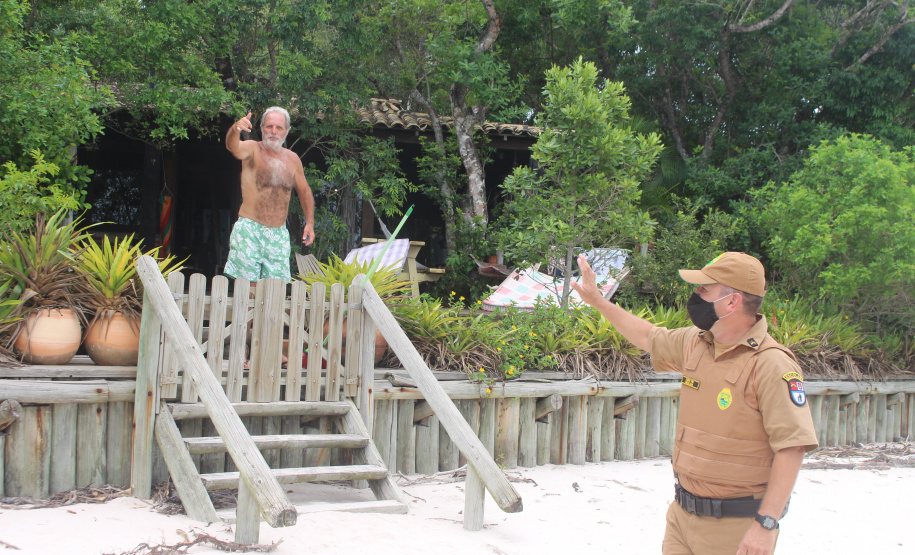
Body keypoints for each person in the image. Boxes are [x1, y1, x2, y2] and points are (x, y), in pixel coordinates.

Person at [571, 252, 818, 555]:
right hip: (681, 516)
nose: (695, 295)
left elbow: (792, 447)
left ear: (732, 302)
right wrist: (598, 301)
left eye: (704, 289)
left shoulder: (771, 364)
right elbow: (650, 337)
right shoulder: (697, 342)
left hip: (735, 528)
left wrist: (766, 524)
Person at [224, 107, 315, 283]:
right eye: (269, 126)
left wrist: (309, 223)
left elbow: (304, 192)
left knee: (275, 292)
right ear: (262, 128)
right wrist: (235, 129)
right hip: (250, 230)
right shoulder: (252, 149)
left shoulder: (292, 159)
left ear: (286, 131)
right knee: (248, 291)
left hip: (278, 233)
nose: (273, 131)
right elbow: (232, 147)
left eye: (279, 128)